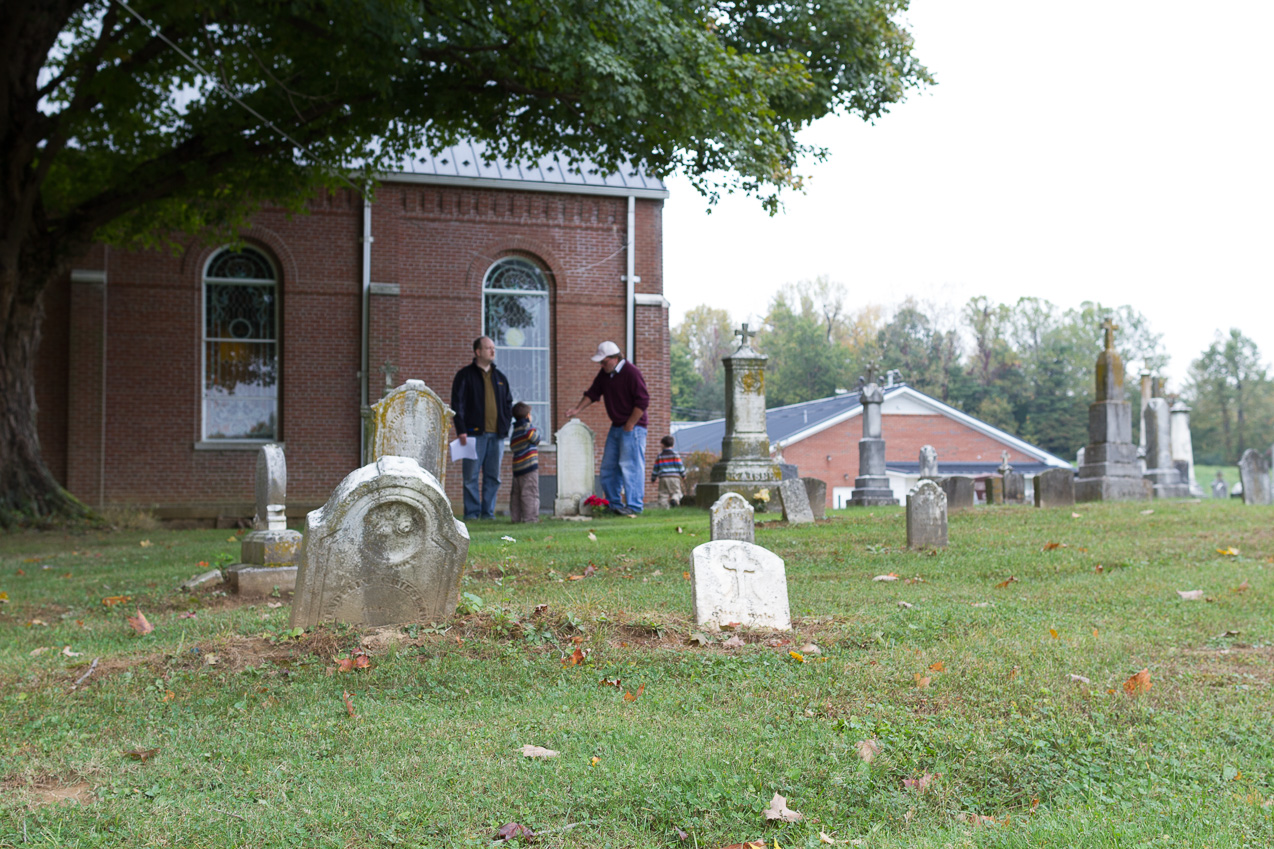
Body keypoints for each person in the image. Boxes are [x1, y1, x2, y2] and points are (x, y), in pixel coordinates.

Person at [565, 341, 650, 514]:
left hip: (633, 427)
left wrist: (630, 424)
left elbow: (643, 401)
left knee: (631, 466)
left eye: (604, 362)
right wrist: (577, 409)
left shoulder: (631, 373)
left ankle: (634, 506)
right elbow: (593, 393)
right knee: (609, 466)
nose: (602, 365)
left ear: (615, 358)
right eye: (600, 363)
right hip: (617, 426)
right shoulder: (605, 374)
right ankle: (614, 505)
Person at [450, 336, 513, 520]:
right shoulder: (465, 376)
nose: (492, 351)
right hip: (472, 435)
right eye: (488, 348)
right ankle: (471, 513)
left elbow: (508, 404)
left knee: (493, 477)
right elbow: (457, 404)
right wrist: (461, 429)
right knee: (470, 477)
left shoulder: (500, 377)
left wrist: (505, 425)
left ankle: (488, 513)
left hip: (497, 436)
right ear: (478, 352)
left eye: (493, 348)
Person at [509, 402, 540, 523]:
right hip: (529, 467)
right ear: (528, 415)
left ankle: (515, 518)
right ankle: (530, 518)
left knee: (516, 495)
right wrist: (530, 425)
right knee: (530, 493)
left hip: (517, 468)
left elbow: (513, 446)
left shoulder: (515, 430)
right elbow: (536, 438)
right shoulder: (527, 427)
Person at [651, 434, 687, 508]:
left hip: (663, 478)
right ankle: (674, 499)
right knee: (677, 492)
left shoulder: (660, 456)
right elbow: (680, 466)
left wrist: (653, 478)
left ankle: (664, 507)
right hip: (674, 477)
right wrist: (683, 475)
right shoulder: (675, 455)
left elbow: (656, 468)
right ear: (673, 445)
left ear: (662, 444)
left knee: (663, 494)